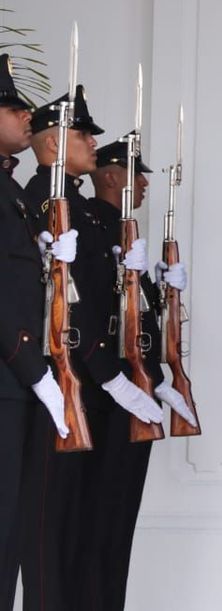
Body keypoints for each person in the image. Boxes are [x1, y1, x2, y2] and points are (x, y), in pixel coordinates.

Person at [20, 87, 163, 610]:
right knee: (57, 533)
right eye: (83, 133)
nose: (94, 141)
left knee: (94, 525)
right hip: (66, 382)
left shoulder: (81, 208)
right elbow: (64, 306)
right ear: (55, 142)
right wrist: (111, 375)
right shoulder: (42, 198)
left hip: (93, 381)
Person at [74, 134, 194, 609]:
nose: (144, 182)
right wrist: (117, 381)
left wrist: (162, 380)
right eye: (134, 172)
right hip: (105, 395)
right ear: (109, 176)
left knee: (120, 519)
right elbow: (87, 319)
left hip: (132, 391)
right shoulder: (88, 227)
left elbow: (138, 323)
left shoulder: (125, 234)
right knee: (98, 519)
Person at [0, 54, 73, 608]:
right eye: (13, 107)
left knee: (13, 536)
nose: (27, 116)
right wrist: (32, 369)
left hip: (19, 386)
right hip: (9, 378)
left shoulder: (13, 193)